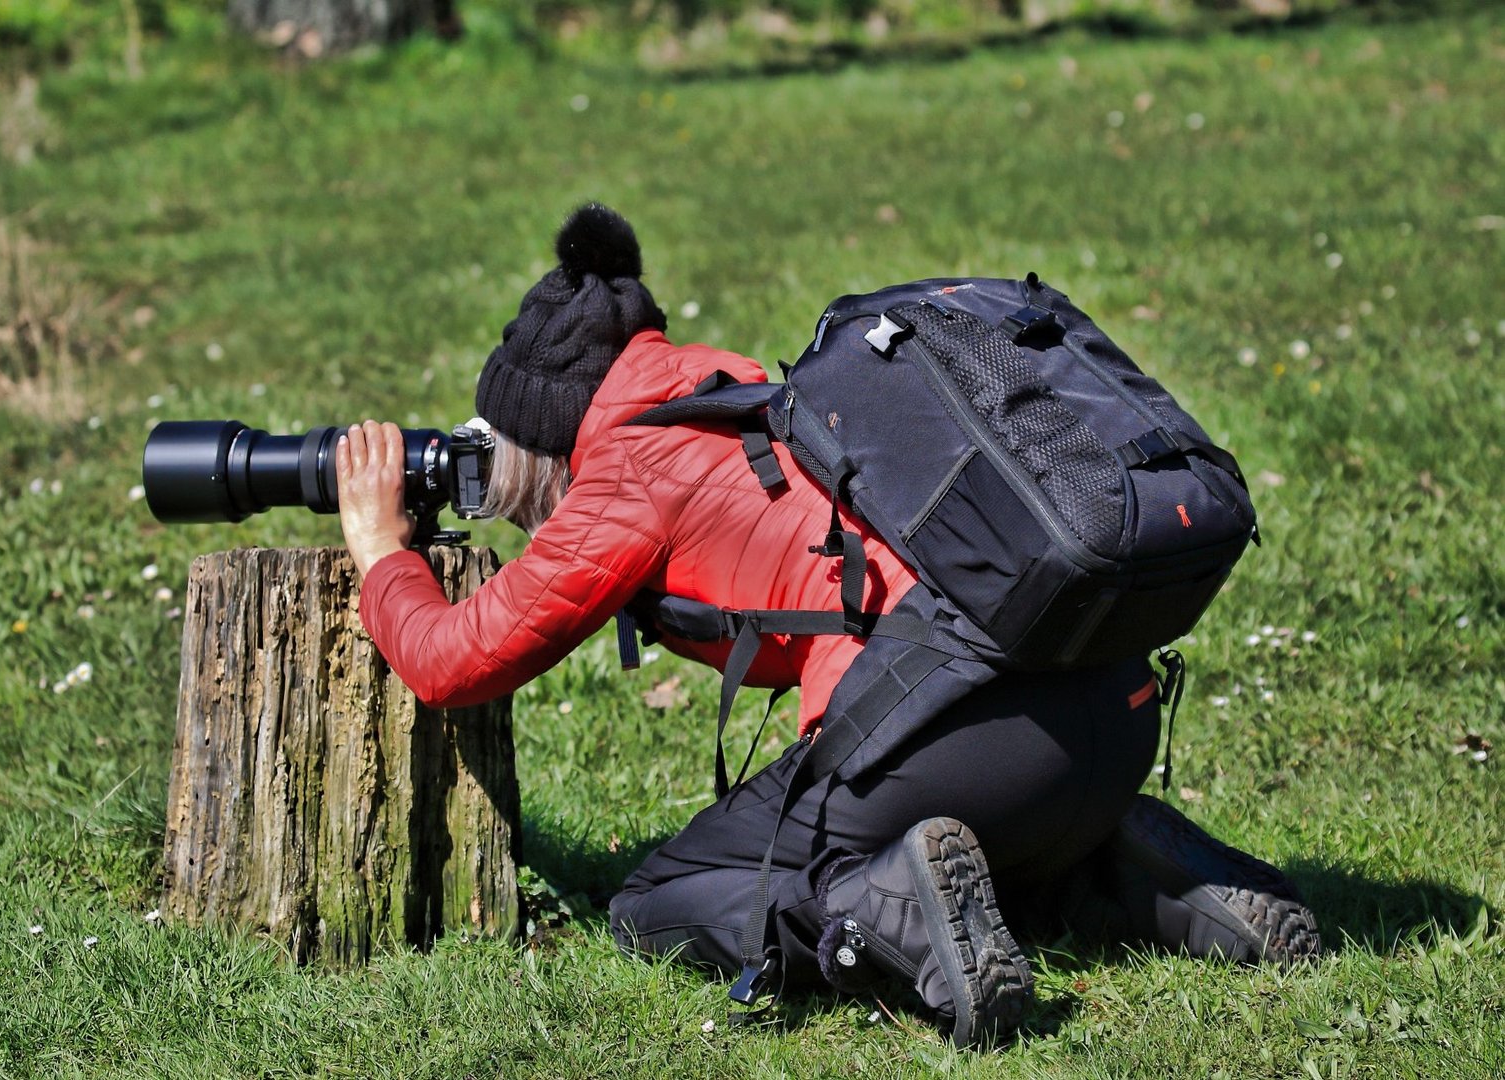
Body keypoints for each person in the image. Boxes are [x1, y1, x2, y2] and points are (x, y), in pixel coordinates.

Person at [334, 203, 1320, 1048]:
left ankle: (870, 905)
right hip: (1108, 707)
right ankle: (1131, 865)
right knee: (963, 840)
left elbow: (452, 662)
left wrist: (383, 551)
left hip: (960, 741)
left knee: (655, 902)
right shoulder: (756, 405)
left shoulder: (630, 472)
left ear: (542, 434)